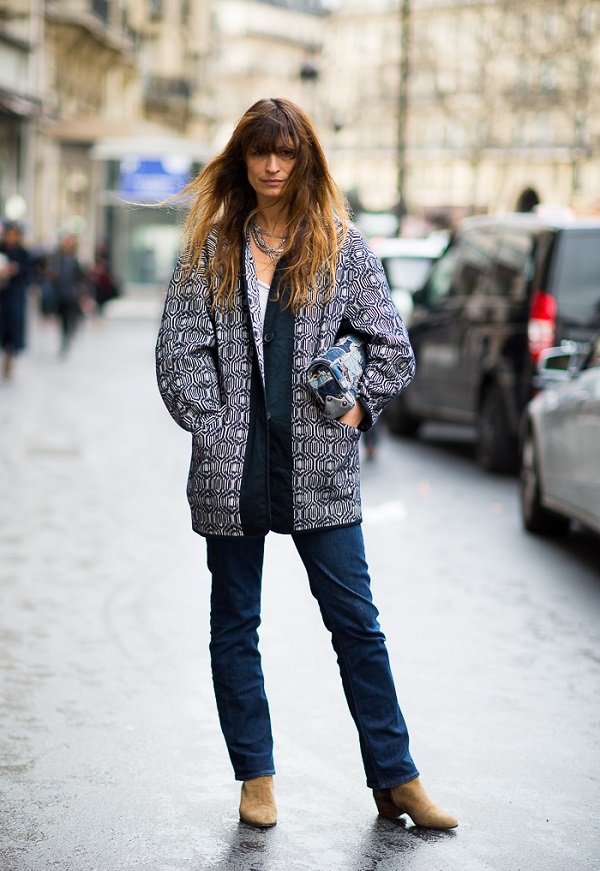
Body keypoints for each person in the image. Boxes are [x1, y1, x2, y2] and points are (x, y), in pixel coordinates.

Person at [156, 98, 457, 831]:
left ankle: (398, 776)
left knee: (357, 623)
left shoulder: (340, 247)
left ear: (305, 160)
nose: (272, 165)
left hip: (320, 466)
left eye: (286, 152)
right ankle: (254, 777)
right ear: (243, 159)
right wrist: (214, 422)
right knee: (235, 622)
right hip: (233, 471)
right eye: (260, 152)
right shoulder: (212, 248)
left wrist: (354, 410)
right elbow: (177, 351)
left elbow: (391, 346)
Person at [0, 222, 31, 380]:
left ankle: (10, 358)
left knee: (13, 328)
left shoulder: (23, 253)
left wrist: (16, 271)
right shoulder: (2, 250)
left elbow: (28, 275)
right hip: (2, 296)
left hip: (15, 296)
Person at [48, 233, 87, 354]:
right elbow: (49, 274)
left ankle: (68, 336)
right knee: (61, 318)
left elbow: (81, 278)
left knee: (70, 318)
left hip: (71, 295)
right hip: (59, 294)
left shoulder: (76, 259)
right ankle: (64, 338)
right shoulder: (57, 258)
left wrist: (81, 293)